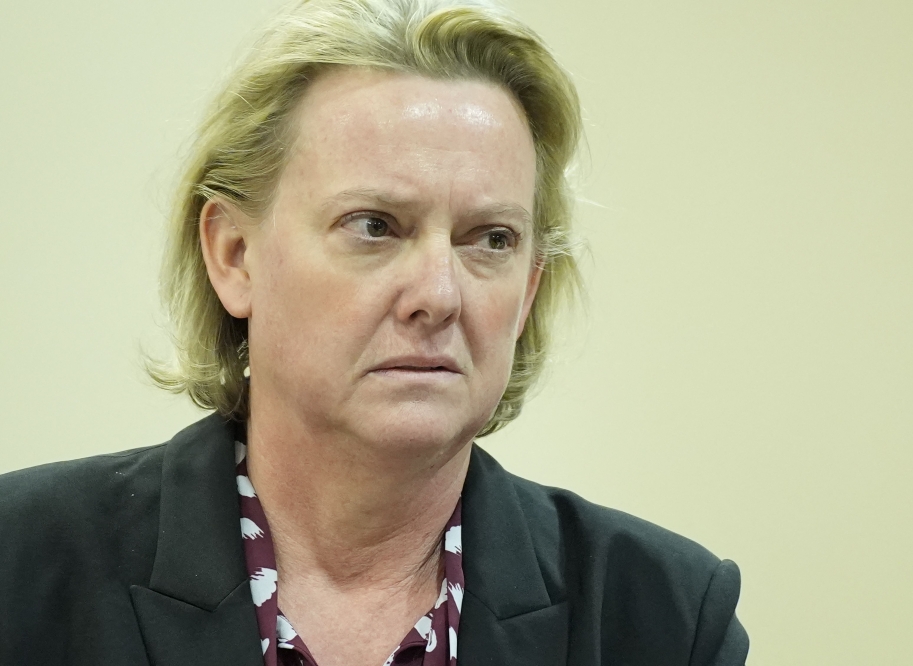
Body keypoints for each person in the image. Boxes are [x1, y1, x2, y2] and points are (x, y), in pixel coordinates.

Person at [0, 0, 749, 664]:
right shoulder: (21, 566)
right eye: (375, 227)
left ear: (527, 292)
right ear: (234, 256)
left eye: (490, 239)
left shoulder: (662, 617)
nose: (439, 294)